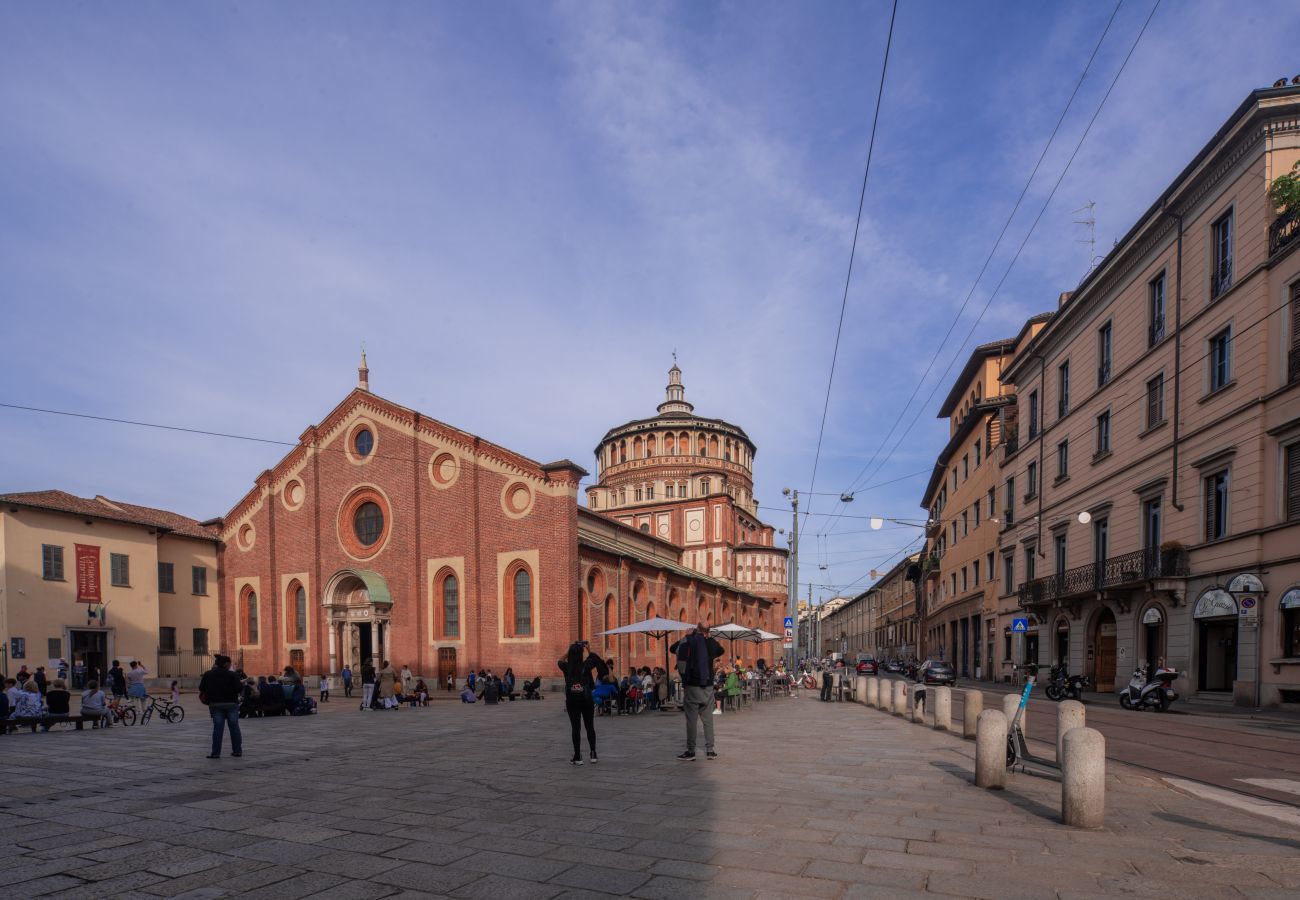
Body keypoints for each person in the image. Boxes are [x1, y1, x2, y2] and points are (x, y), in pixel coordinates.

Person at [669, 623, 724, 761]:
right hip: (708, 687)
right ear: (708, 631)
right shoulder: (710, 644)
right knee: (708, 720)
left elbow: (672, 649)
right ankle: (710, 751)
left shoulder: (688, 641)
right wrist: (709, 637)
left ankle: (691, 751)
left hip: (692, 686)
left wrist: (686, 636)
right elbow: (721, 650)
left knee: (691, 721)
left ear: (697, 630)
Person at [558, 641, 609, 765]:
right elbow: (593, 658)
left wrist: (568, 651)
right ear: (581, 654)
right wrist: (588, 649)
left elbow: (560, 660)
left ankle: (578, 756)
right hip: (586, 699)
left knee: (576, 728)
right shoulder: (586, 665)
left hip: (572, 701)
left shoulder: (566, 667)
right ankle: (593, 753)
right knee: (589, 727)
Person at [199, 655, 242, 759]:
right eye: (230, 664)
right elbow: (239, 689)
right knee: (234, 728)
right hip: (231, 703)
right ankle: (237, 751)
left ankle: (216, 753)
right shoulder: (232, 674)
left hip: (215, 704)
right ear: (226, 664)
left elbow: (201, 688)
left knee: (218, 729)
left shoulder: (208, 674)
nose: (230, 666)